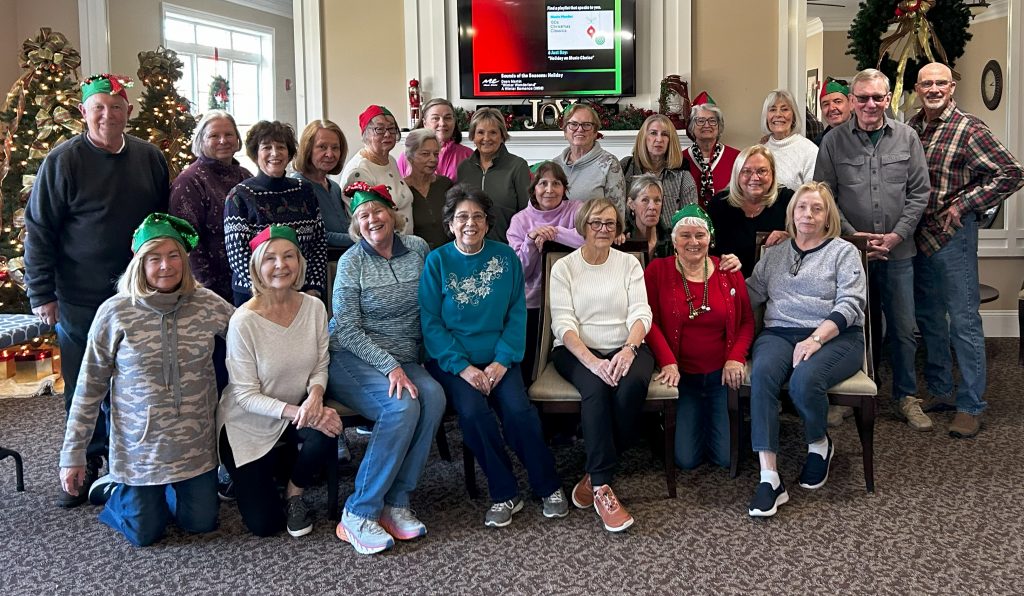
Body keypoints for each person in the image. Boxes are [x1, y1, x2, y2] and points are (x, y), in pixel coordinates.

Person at [25, 73, 169, 508]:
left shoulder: (150, 158)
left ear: (128, 112)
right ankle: (83, 465)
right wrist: (41, 294)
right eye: (99, 107)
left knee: (137, 383)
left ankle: (130, 463)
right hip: (79, 296)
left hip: (139, 295)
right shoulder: (63, 161)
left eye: (117, 107)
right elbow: (39, 229)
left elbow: (164, 223)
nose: (108, 115)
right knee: (84, 385)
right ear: (84, 113)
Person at [59, 214, 234, 546]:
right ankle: (117, 488)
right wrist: (74, 454)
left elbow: (251, 336)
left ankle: (168, 491)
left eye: (173, 256)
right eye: (155, 258)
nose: (165, 266)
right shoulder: (115, 312)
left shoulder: (208, 304)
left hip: (194, 447)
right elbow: (89, 386)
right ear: (140, 263)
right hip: (139, 450)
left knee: (200, 524)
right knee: (145, 533)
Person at [420, 185, 567, 527]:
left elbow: (517, 314)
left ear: (487, 223)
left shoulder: (505, 258)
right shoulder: (437, 261)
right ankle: (504, 491)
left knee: (519, 411)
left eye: (477, 217)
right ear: (450, 224)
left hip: (501, 358)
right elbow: (431, 322)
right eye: (462, 217)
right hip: (454, 363)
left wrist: (502, 360)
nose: (470, 223)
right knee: (473, 414)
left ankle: (547, 485)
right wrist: (463, 368)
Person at [327, 182, 445, 555]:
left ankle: (396, 502)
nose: (372, 220)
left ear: (394, 215)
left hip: (405, 357)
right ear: (356, 225)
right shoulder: (352, 262)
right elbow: (345, 328)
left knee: (434, 396)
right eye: (363, 216)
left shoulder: (419, 250)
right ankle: (358, 512)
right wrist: (390, 366)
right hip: (351, 357)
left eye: (378, 211)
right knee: (401, 405)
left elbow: (432, 304)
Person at [909, 62, 1024, 438]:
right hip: (919, 236)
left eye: (941, 82)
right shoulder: (913, 127)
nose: (934, 88)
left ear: (952, 86)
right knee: (928, 319)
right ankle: (941, 391)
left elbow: (1010, 172)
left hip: (953, 235)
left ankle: (971, 404)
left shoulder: (968, 127)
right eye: (927, 83)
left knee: (963, 321)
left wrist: (964, 204)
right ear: (917, 88)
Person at [814, 68, 931, 432]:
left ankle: (906, 396)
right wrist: (853, 237)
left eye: (877, 98)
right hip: (852, 255)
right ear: (851, 101)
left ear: (886, 100)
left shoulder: (907, 138)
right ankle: (854, 395)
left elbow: (919, 192)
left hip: (899, 251)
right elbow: (825, 193)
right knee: (856, 327)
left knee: (903, 327)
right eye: (862, 97)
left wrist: (897, 235)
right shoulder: (833, 141)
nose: (870, 104)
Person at [745, 182, 866, 518]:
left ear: (828, 216)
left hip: (836, 336)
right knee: (763, 375)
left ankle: (818, 444)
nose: (808, 214)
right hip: (779, 332)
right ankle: (769, 478)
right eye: (802, 207)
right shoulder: (776, 254)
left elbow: (852, 304)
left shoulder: (843, 252)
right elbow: (749, 295)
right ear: (792, 213)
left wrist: (815, 339)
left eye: (817, 208)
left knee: (803, 381)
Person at [218, 225, 341, 538]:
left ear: (299, 262)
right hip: (247, 425)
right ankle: (236, 473)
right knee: (266, 525)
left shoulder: (313, 307)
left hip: (293, 414)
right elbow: (245, 396)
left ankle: (294, 492)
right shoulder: (243, 321)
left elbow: (320, 364)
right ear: (257, 267)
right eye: (270, 258)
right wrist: (299, 412)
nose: (280, 265)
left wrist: (315, 396)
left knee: (327, 426)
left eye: (288, 256)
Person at [549, 198, 654, 533]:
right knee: (595, 389)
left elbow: (641, 313)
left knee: (632, 386)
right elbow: (562, 323)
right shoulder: (564, 267)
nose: (603, 229)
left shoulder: (629, 264)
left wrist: (628, 350)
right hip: (578, 349)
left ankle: (594, 470)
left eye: (610, 223)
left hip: (626, 344)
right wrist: (594, 363)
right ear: (583, 226)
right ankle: (602, 489)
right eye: (596, 222)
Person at [645, 204, 754, 471]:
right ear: (674, 241)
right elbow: (648, 322)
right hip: (682, 376)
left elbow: (747, 322)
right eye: (685, 235)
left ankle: (726, 421)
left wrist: (735, 357)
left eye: (700, 235)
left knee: (727, 458)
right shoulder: (658, 271)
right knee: (686, 459)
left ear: (710, 238)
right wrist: (668, 361)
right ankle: (669, 423)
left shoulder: (729, 271)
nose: (693, 242)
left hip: (720, 375)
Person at [223, 120, 328, 306]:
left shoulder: (305, 190)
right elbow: (238, 256)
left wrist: (314, 287)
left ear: (289, 154)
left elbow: (318, 243)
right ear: (256, 154)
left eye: (281, 147)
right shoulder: (239, 196)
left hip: (303, 292)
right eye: (266, 147)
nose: (275, 153)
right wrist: (269, 293)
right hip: (255, 295)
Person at [506, 161, 584, 383]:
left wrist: (554, 233)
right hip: (533, 303)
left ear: (564, 188)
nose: (549, 190)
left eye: (556, 183)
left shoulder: (577, 208)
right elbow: (520, 271)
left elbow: (589, 238)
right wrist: (531, 240)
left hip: (574, 300)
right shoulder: (520, 221)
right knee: (530, 364)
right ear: (534, 189)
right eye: (543, 184)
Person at [170, 109, 253, 300]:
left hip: (249, 282)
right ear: (201, 141)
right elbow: (187, 241)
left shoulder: (245, 176)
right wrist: (207, 290)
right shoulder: (189, 181)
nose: (223, 140)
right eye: (214, 135)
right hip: (210, 289)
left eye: (229, 134)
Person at [706, 145, 793, 278]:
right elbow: (708, 253)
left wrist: (791, 239)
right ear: (737, 175)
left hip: (775, 282)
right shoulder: (719, 204)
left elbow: (809, 242)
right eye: (746, 171)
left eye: (762, 171)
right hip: (729, 281)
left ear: (773, 174)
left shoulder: (788, 200)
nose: (755, 177)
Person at [455, 107, 531, 243]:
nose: (486, 138)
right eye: (480, 132)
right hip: (470, 245)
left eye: (493, 133)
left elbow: (526, 213)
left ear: (502, 135)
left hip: (507, 244)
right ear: (473, 136)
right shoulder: (464, 168)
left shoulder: (518, 166)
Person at [339, 105, 414, 231]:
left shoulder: (391, 160)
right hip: (385, 246)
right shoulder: (359, 171)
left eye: (391, 128)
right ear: (365, 134)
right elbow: (368, 224)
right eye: (379, 129)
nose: (387, 134)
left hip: (408, 243)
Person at [620, 114, 698, 225]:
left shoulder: (683, 176)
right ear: (644, 137)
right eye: (653, 133)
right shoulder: (625, 167)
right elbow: (613, 210)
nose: (659, 139)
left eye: (665, 134)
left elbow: (691, 221)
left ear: (671, 140)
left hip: (670, 240)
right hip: (629, 240)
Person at [552, 104, 627, 214]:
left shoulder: (609, 163)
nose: (580, 129)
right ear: (565, 132)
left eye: (586, 125)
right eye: (573, 124)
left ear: (595, 132)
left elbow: (618, 213)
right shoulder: (555, 165)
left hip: (595, 230)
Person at [293, 119, 353, 248]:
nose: (330, 154)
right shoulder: (297, 186)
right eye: (322, 147)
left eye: (335, 148)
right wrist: (361, 239)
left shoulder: (335, 188)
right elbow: (317, 235)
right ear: (307, 149)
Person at [683, 92, 740, 208]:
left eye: (712, 120)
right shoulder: (680, 159)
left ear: (719, 126)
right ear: (691, 126)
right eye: (700, 120)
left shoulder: (737, 157)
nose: (707, 125)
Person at [397, 97, 472, 179]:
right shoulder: (406, 156)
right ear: (424, 123)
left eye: (447, 118)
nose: (442, 123)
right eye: (435, 118)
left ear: (454, 122)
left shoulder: (468, 155)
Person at [404, 128, 455, 249]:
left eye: (436, 154)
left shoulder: (446, 184)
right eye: (425, 154)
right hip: (416, 258)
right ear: (410, 156)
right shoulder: (402, 189)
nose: (433, 159)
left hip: (447, 254)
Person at [761, 89, 818, 191]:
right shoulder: (761, 150)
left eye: (784, 109)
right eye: (772, 109)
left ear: (793, 115)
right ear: (766, 116)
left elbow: (813, 195)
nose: (778, 114)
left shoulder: (809, 150)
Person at [623, 175, 672, 260]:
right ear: (631, 204)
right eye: (645, 200)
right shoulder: (621, 240)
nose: (652, 207)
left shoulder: (672, 240)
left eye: (657, 200)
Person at [815, 77, 852, 146]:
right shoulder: (819, 142)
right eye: (826, 104)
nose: (831, 108)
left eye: (838, 102)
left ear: (851, 103)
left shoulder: (866, 133)